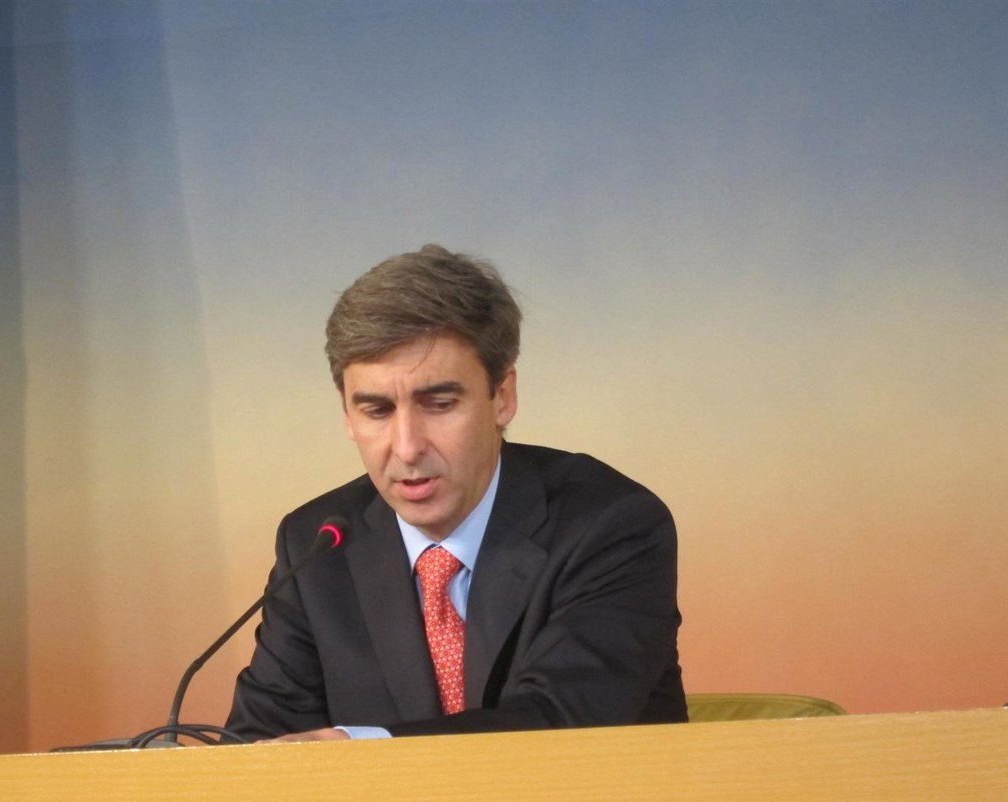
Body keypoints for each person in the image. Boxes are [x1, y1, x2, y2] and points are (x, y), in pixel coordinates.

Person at [225, 244, 685, 742]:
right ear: (347, 415)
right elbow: (258, 741)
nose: (407, 447)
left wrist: (360, 747)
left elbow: (562, 723)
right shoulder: (317, 546)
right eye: (377, 410)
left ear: (502, 396)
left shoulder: (609, 525)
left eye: (439, 404)